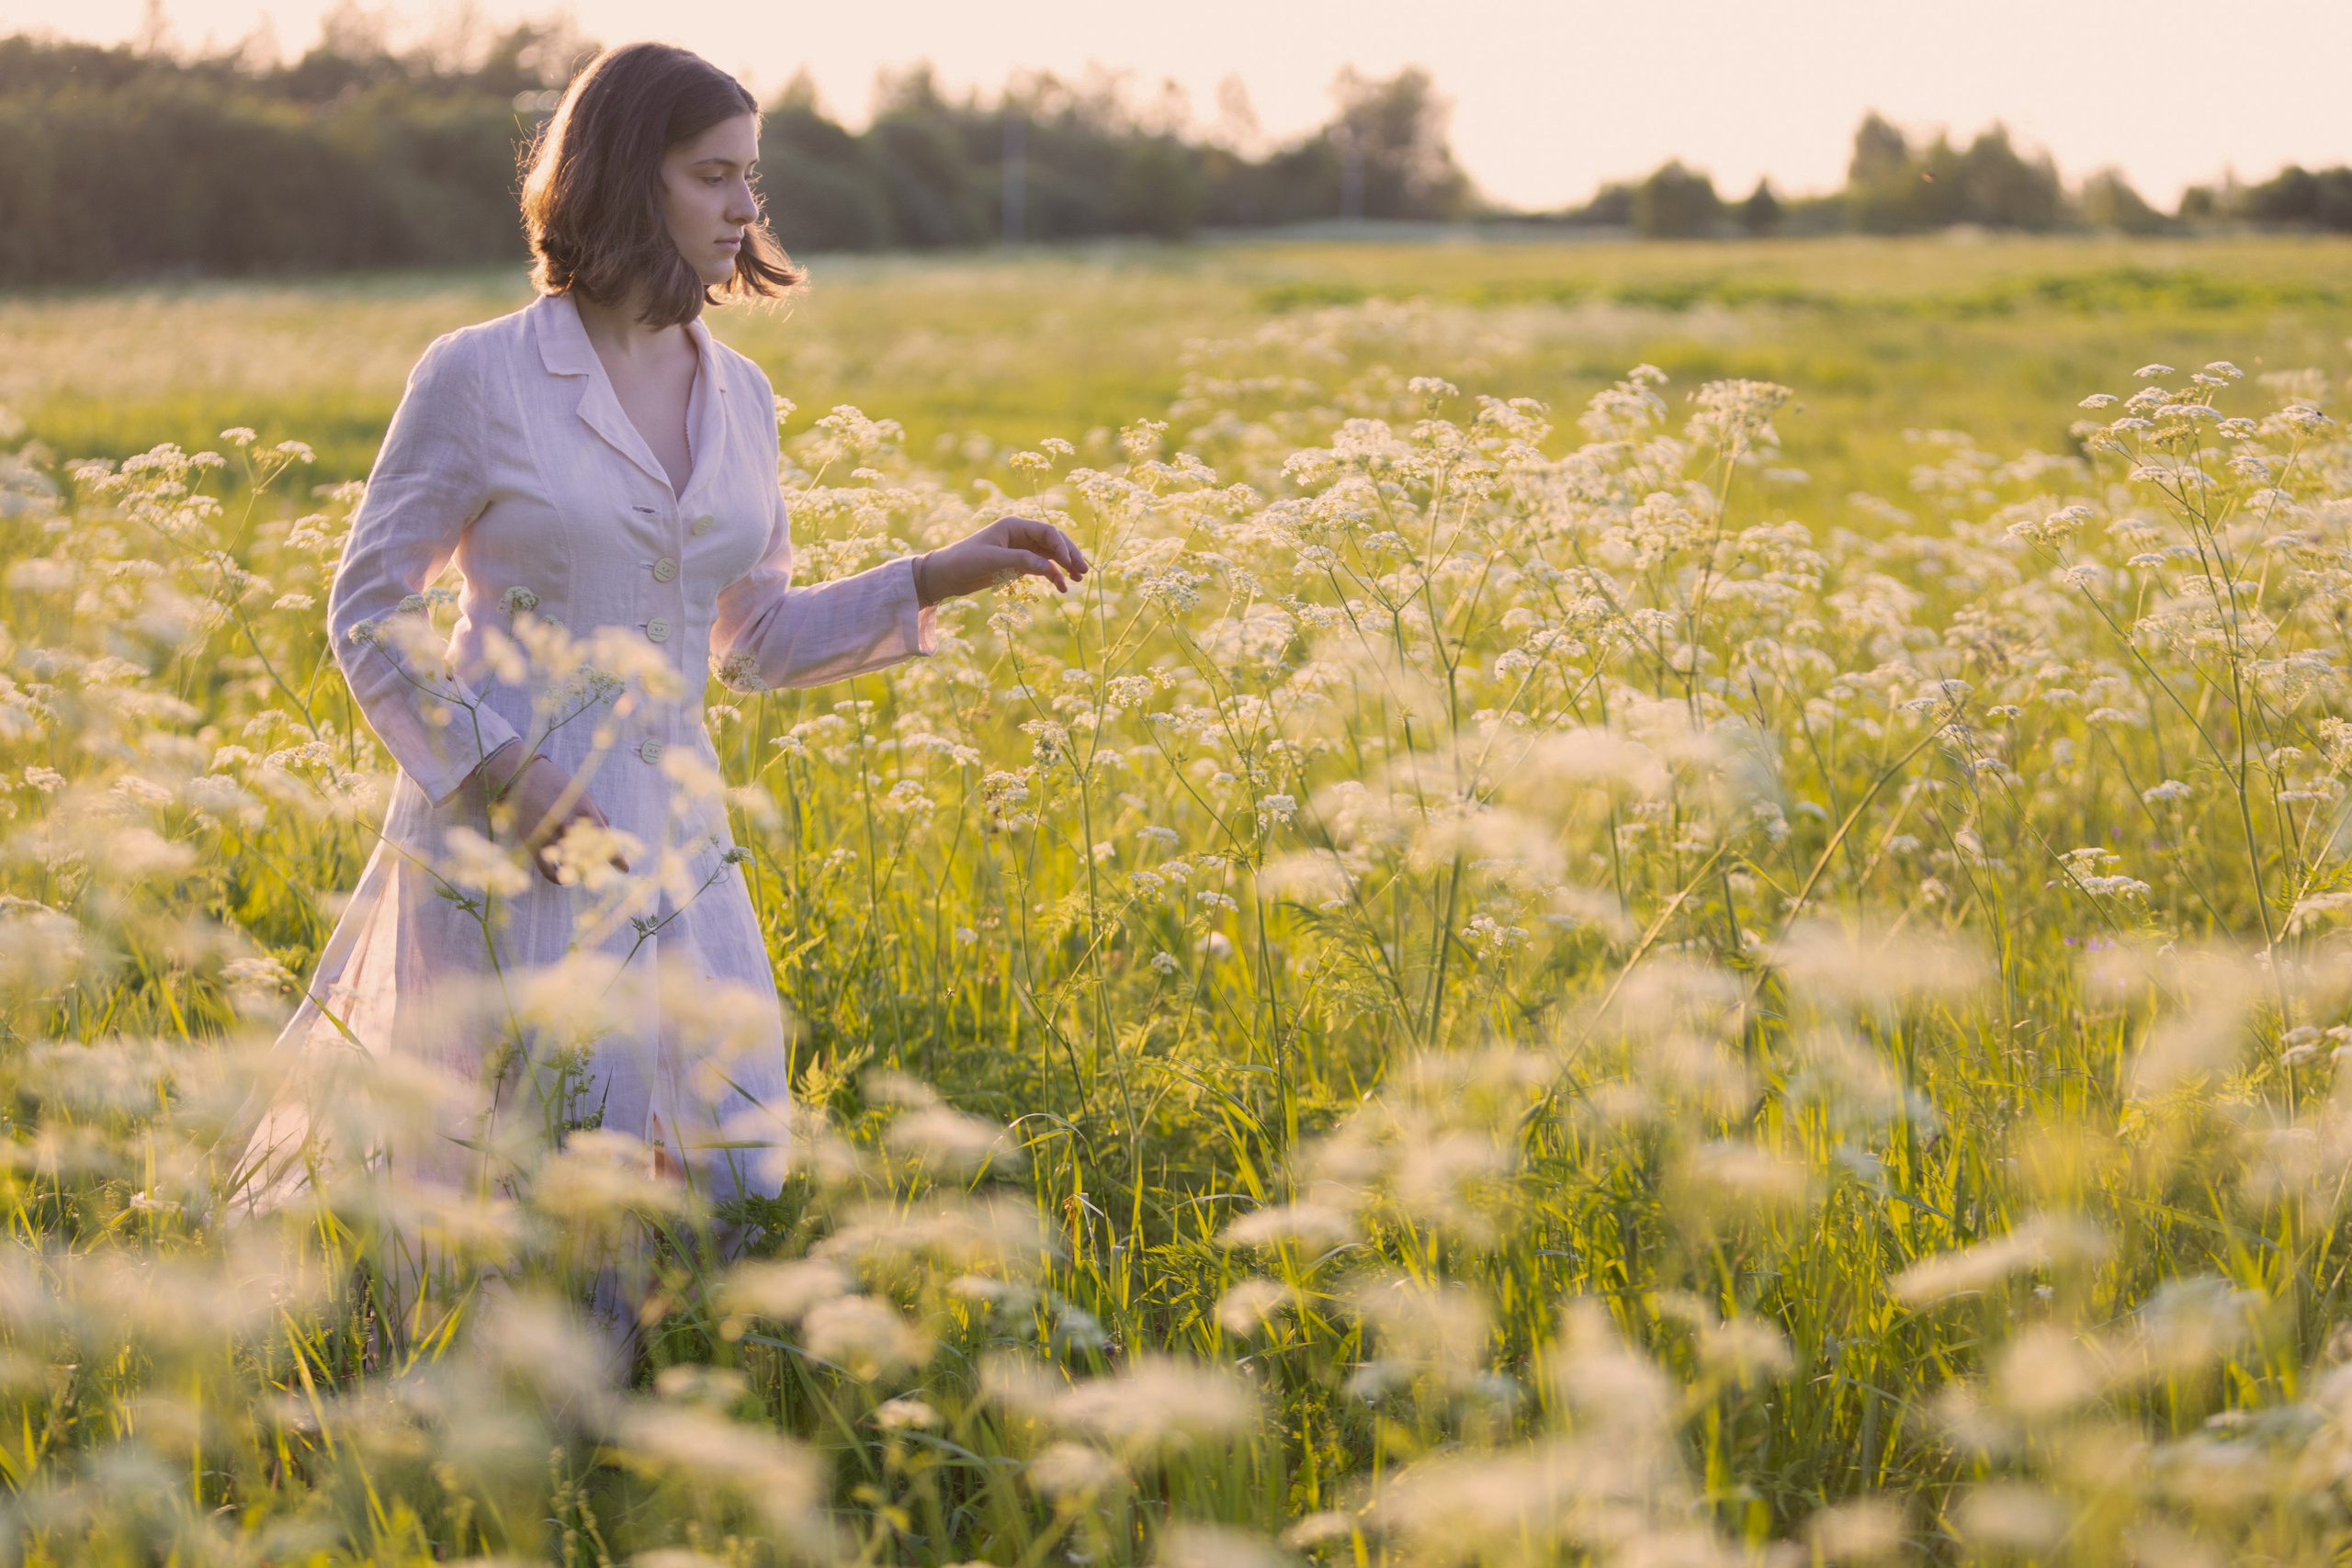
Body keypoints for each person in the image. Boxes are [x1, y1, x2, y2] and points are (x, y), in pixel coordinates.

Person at [231, 41, 1088, 1359]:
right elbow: (368, 611)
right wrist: (502, 779)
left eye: (754, 177)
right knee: (517, 1162)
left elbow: (750, 641)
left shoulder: (740, 397)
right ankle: (477, 1446)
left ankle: (641, 1430)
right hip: (508, 831)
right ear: (630, 179)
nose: (747, 208)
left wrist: (944, 570)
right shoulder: (479, 377)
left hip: (674, 836)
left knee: (719, 1153)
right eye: (714, 176)